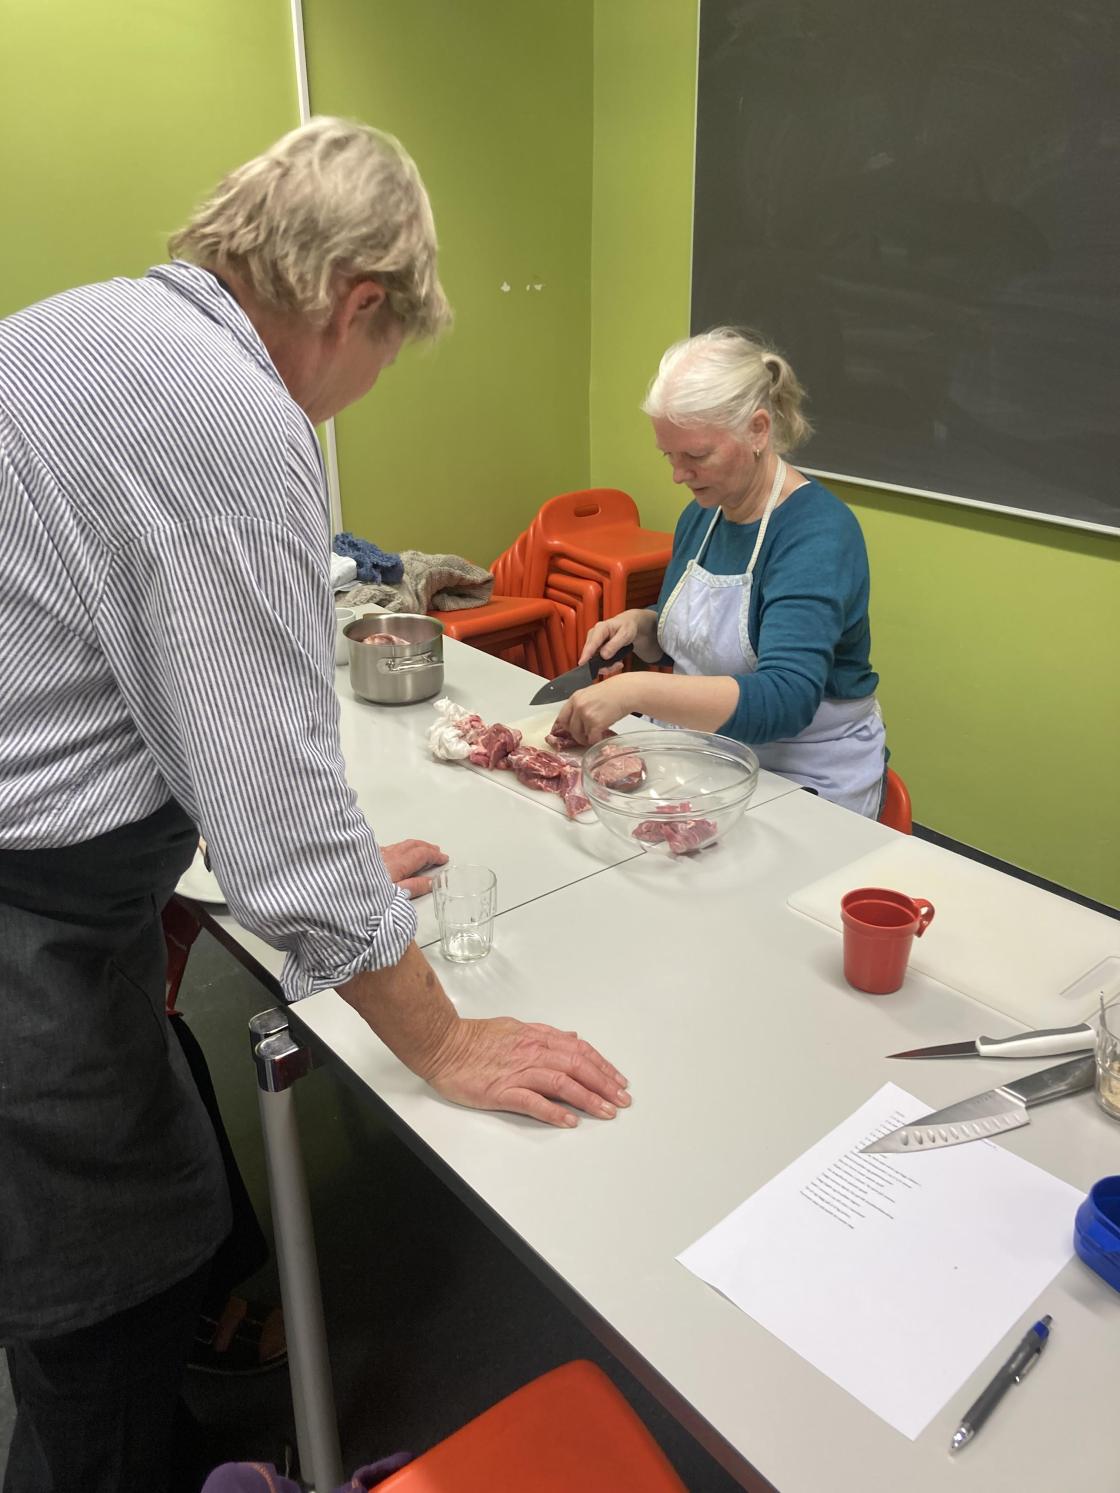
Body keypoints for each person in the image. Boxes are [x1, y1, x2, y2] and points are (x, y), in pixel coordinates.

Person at [0, 117, 629, 1493]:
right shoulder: (225, 415)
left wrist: (299, 868)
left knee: (140, 1230)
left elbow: (99, 692)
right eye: (388, 352)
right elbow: (277, 811)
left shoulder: (78, 331)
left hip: (55, 894)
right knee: (99, 1293)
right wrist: (444, 1037)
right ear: (358, 303)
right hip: (25, 940)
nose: (363, 387)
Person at [556, 327, 887, 816]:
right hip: (709, 755)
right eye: (669, 456)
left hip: (803, 774)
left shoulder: (817, 534)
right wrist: (646, 625)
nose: (678, 475)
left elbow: (787, 698)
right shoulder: (703, 514)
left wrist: (635, 691)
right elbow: (715, 635)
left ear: (757, 431)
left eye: (696, 455)